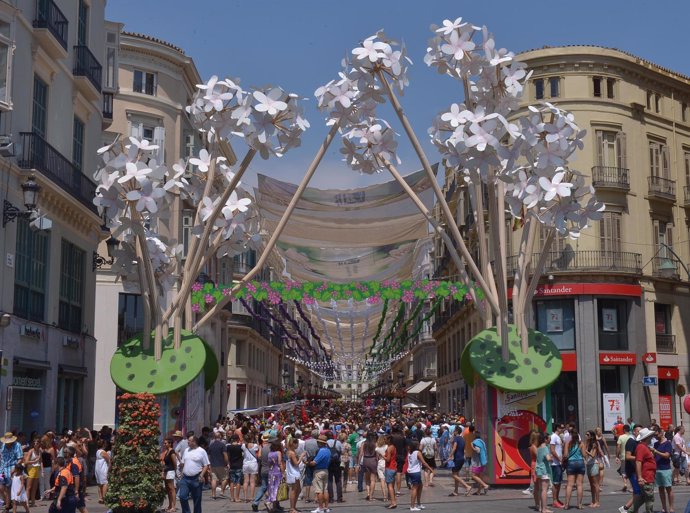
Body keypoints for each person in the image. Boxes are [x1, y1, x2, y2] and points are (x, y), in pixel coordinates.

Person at [178, 435, 210, 513]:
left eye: (189, 440)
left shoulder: (201, 451)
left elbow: (206, 465)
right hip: (185, 478)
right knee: (182, 496)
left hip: (196, 478)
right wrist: (181, 472)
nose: (187, 442)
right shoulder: (186, 450)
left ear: (194, 442)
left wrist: (201, 475)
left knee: (197, 500)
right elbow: (183, 462)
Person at [628, 428, 656, 513]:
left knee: (642, 498)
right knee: (649, 498)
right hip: (646, 477)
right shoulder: (641, 447)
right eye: (651, 436)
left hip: (647, 476)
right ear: (647, 437)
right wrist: (640, 477)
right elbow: (638, 462)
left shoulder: (644, 447)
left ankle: (630, 511)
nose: (652, 438)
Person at [405, 440, 433, 511]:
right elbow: (424, 463)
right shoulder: (418, 453)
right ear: (416, 446)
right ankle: (412, 506)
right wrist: (431, 469)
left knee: (420, 486)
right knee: (414, 488)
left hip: (411, 471)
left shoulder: (409, 452)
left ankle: (418, 504)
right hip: (415, 472)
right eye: (418, 445)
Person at [562, 428, 586, 510]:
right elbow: (584, 455)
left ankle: (566, 504)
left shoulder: (568, 443)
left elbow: (565, 455)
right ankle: (579, 504)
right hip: (580, 463)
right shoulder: (581, 443)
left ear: (571, 436)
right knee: (579, 484)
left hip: (571, 463)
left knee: (570, 485)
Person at [653, 427, 674, 513]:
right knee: (661, 489)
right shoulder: (656, 444)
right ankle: (664, 507)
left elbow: (667, 455)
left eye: (656, 434)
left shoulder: (667, 443)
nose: (655, 436)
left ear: (661, 433)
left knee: (668, 489)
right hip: (657, 468)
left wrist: (656, 451)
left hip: (665, 469)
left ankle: (671, 508)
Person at [1, 433, 24, 509]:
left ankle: (7, 506)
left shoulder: (17, 445)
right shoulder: (3, 445)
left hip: (12, 469)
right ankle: (8, 502)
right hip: (3, 469)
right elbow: (1, 456)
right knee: (1, 488)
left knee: (8, 488)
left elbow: (20, 459)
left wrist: (14, 470)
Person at [308, 435, 331, 513]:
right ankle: (326, 507)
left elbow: (314, 463)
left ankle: (320, 508)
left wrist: (307, 462)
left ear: (320, 443)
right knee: (325, 490)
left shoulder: (321, 451)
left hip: (319, 471)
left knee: (319, 491)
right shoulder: (328, 450)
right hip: (326, 470)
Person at [447, 425, 471, 497]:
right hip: (461, 458)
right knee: (456, 475)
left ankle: (467, 486)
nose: (453, 432)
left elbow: (454, 448)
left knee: (454, 475)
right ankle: (456, 491)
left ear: (456, 431)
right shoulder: (462, 439)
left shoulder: (457, 438)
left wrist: (450, 456)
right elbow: (463, 449)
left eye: (454, 430)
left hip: (457, 458)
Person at [534, 432, 553, 513]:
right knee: (544, 490)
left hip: (538, 469)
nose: (550, 439)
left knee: (541, 489)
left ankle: (541, 508)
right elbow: (548, 458)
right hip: (544, 470)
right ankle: (544, 509)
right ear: (545, 439)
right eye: (549, 438)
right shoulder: (545, 447)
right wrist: (551, 458)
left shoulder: (538, 448)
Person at [584, 430, 602, 508]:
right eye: (586, 434)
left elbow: (593, 455)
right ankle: (593, 501)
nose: (586, 436)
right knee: (591, 485)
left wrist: (585, 451)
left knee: (595, 484)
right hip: (588, 464)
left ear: (591, 436)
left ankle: (597, 502)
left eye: (587, 434)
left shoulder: (595, 444)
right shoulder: (587, 443)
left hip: (594, 464)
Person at [265, 440, 284, 513]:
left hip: (271, 472)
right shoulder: (278, 453)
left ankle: (274, 506)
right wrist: (283, 473)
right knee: (276, 488)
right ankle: (269, 502)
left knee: (271, 488)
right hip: (277, 472)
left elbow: (269, 464)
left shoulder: (269, 453)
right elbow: (280, 463)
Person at [285, 438, 303, 513]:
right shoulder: (291, 453)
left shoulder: (290, 451)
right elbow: (296, 463)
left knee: (298, 489)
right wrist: (302, 456)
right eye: (297, 444)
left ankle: (294, 507)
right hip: (293, 472)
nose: (298, 445)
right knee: (294, 490)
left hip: (294, 471)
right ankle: (292, 508)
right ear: (294, 444)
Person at [160, 438, 178, 513]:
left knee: (172, 488)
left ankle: (173, 506)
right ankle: (170, 505)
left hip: (170, 471)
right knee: (168, 489)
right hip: (166, 471)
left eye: (166, 443)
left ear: (170, 444)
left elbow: (175, 462)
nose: (164, 444)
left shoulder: (171, 451)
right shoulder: (166, 451)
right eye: (164, 443)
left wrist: (175, 471)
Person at [241, 433, 259, 504]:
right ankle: (251, 497)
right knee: (252, 482)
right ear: (252, 438)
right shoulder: (255, 445)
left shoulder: (243, 446)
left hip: (245, 463)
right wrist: (257, 440)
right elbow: (257, 450)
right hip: (253, 463)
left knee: (245, 481)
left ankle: (245, 497)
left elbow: (242, 446)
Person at [470, 430, 490, 495]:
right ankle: (478, 491)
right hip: (482, 462)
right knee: (479, 476)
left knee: (473, 475)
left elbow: (477, 450)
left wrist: (472, 446)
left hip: (477, 462)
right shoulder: (482, 441)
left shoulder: (476, 442)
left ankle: (485, 485)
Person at [326, 431, 344, 503]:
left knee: (329, 480)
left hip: (328, 463)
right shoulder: (338, 442)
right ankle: (339, 498)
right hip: (337, 463)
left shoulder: (325, 443)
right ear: (333, 436)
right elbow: (342, 451)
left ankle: (331, 498)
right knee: (338, 480)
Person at [225, 434, 244, 502]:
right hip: (239, 465)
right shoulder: (240, 447)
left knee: (232, 482)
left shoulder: (228, 447)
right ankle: (237, 497)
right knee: (238, 482)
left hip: (231, 465)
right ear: (238, 439)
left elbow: (227, 456)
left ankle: (232, 497)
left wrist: (228, 463)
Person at [360, 432, 378, 501]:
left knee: (367, 479)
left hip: (366, 460)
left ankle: (368, 493)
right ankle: (371, 496)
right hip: (373, 460)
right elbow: (377, 454)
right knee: (373, 479)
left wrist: (358, 463)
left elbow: (361, 453)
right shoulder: (375, 444)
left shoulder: (363, 443)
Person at [23, 439, 41, 507]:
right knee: (29, 487)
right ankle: (27, 502)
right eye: (34, 443)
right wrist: (34, 461)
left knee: (35, 487)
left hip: (37, 469)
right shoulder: (31, 451)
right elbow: (26, 462)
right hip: (31, 469)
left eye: (37, 443)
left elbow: (40, 461)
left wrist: (42, 470)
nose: (35, 444)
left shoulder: (39, 451)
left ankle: (33, 502)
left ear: (39, 444)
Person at [93, 440, 110, 505]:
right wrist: (110, 469)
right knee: (105, 483)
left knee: (99, 483)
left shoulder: (97, 451)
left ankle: (100, 498)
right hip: (102, 468)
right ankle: (104, 497)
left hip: (98, 467)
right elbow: (109, 460)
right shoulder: (103, 452)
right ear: (103, 445)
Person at [383, 435, 398, 509]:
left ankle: (393, 502)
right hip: (394, 467)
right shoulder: (394, 447)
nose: (384, 440)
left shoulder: (389, 448)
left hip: (389, 468)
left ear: (388, 440)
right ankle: (394, 500)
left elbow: (388, 459)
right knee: (392, 485)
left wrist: (382, 456)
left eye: (385, 439)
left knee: (389, 486)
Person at [616, 424, 631, 493]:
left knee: (623, 471)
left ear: (624, 430)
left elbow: (618, 447)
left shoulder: (621, 437)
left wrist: (617, 456)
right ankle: (632, 486)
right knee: (631, 470)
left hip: (623, 456)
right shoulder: (632, 437)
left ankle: (625, 483)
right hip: (631, 456)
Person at [39, 436, 55, 500]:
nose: (42, 443)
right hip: (42, 467)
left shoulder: (51, 449)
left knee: (47, 482)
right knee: (41, 482)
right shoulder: (40, 449)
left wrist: (53, 468)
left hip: (48, 467)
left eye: (43, 441)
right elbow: (40, 460)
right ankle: (42, 496)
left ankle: (47, 495)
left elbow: (53, 459)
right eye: (41, 441)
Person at [374, 434, 388, 501]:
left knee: (382, 481)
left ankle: (384, 496)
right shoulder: (387, 447)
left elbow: (377, 458)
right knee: (388, 481)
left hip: (380, 464)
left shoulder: (377, 449)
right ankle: (389, 495)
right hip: (386, 464)